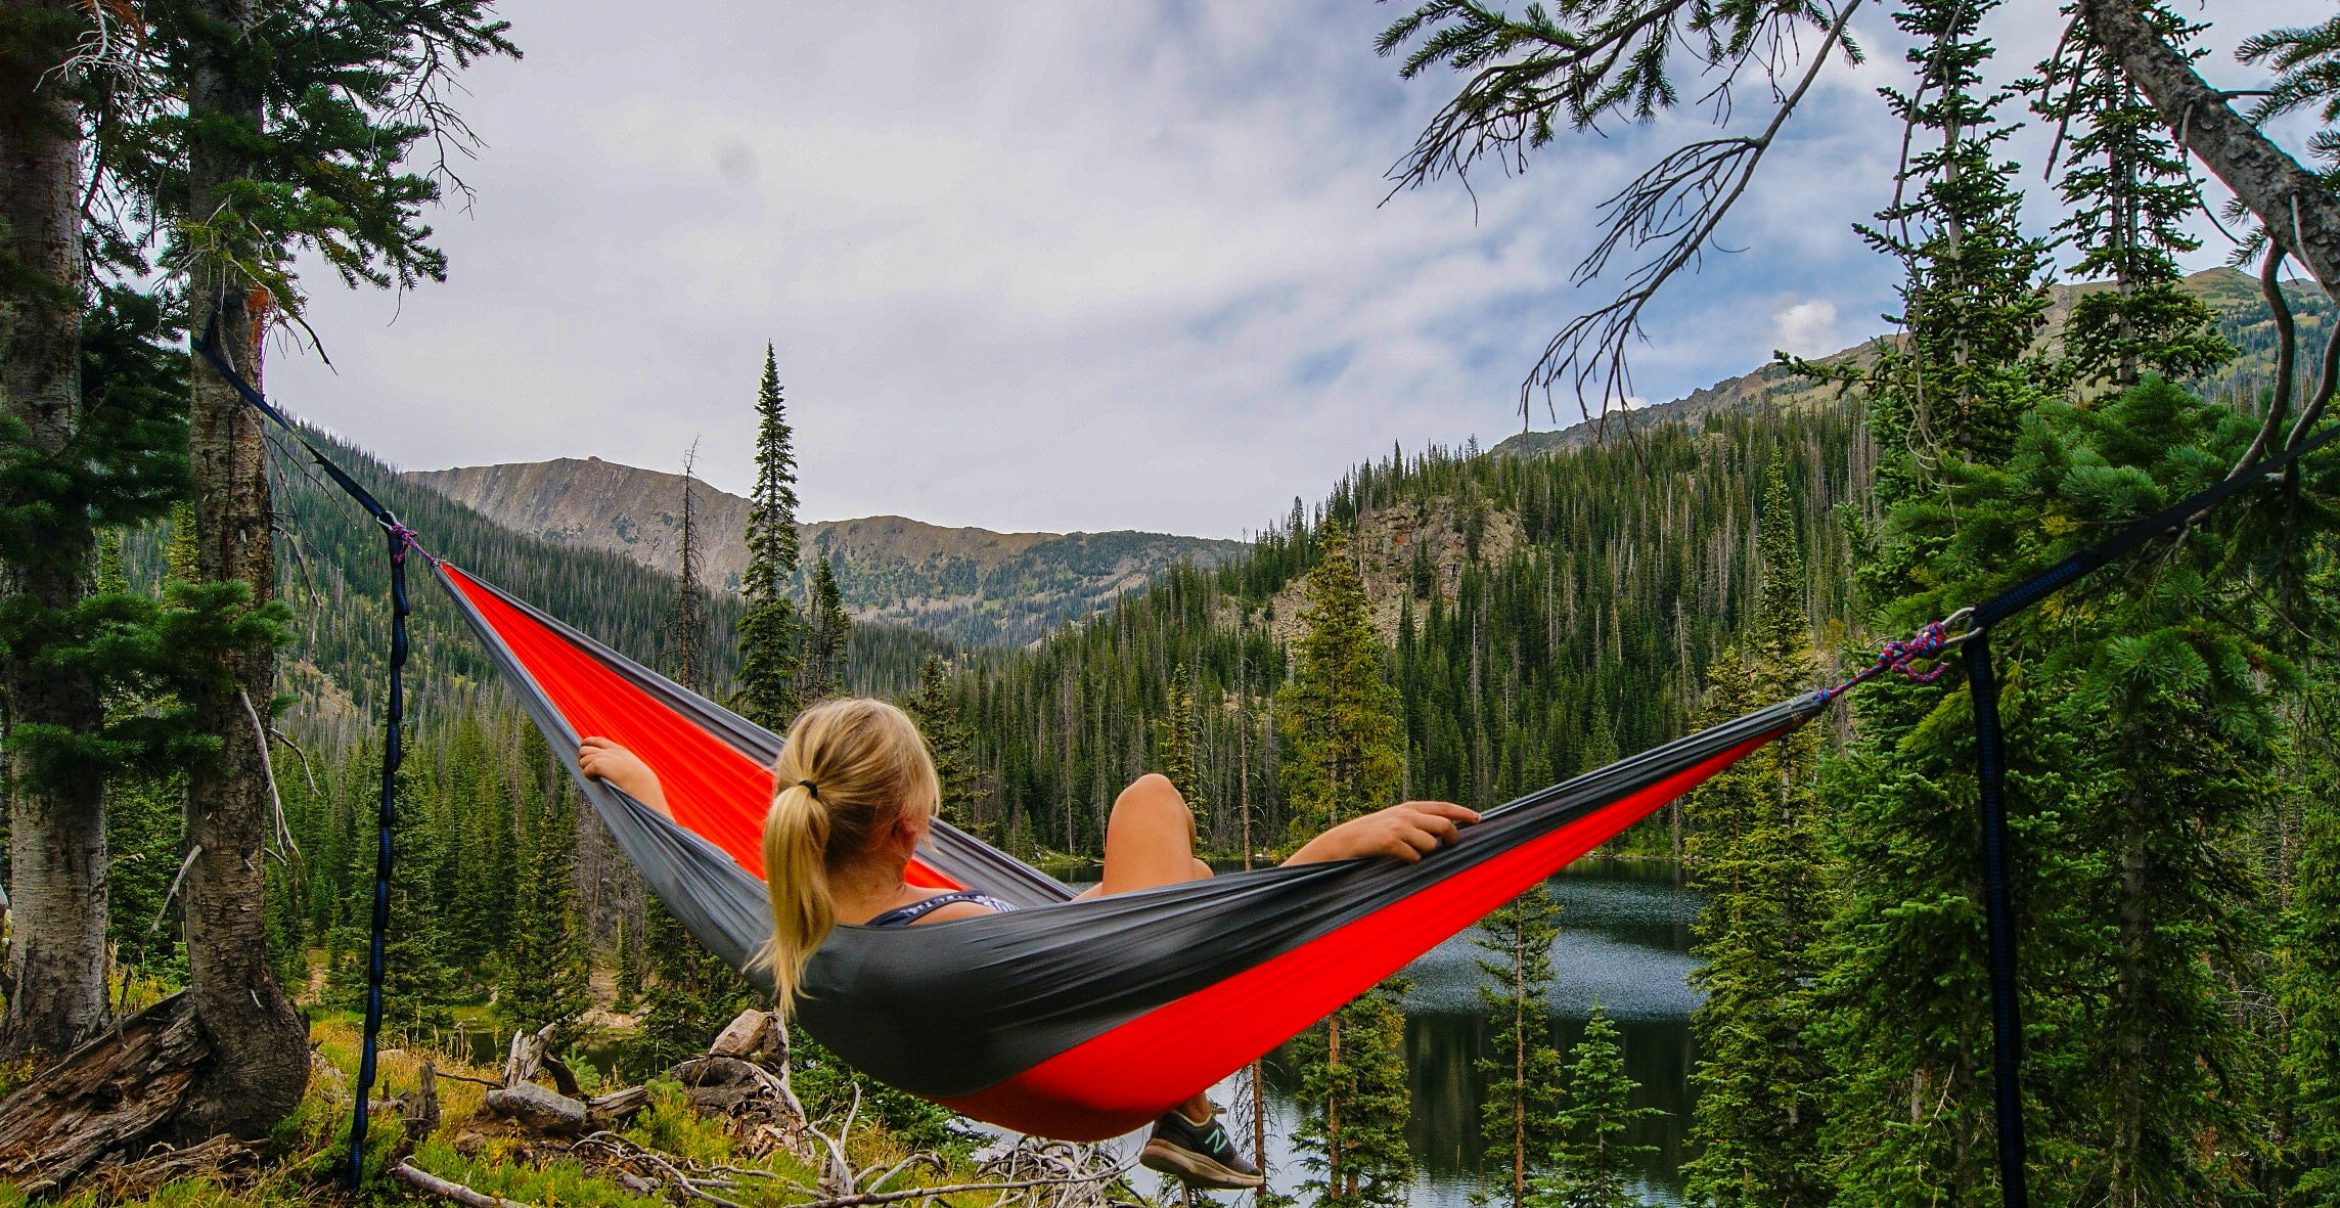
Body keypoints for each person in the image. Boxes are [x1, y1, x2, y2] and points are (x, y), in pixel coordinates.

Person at [578, 696, 1478, 1191]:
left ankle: (1194, 1116)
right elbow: (1184, 959)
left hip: (1039, 1020)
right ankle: (1189, 1112)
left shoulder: (789, 927)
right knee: (1151, 799)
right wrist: (1325, 857)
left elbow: (700, 871)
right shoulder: (952, 943)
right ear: (906, 824)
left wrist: (649, 791)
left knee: (1189, 874)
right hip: (1099, 1070)